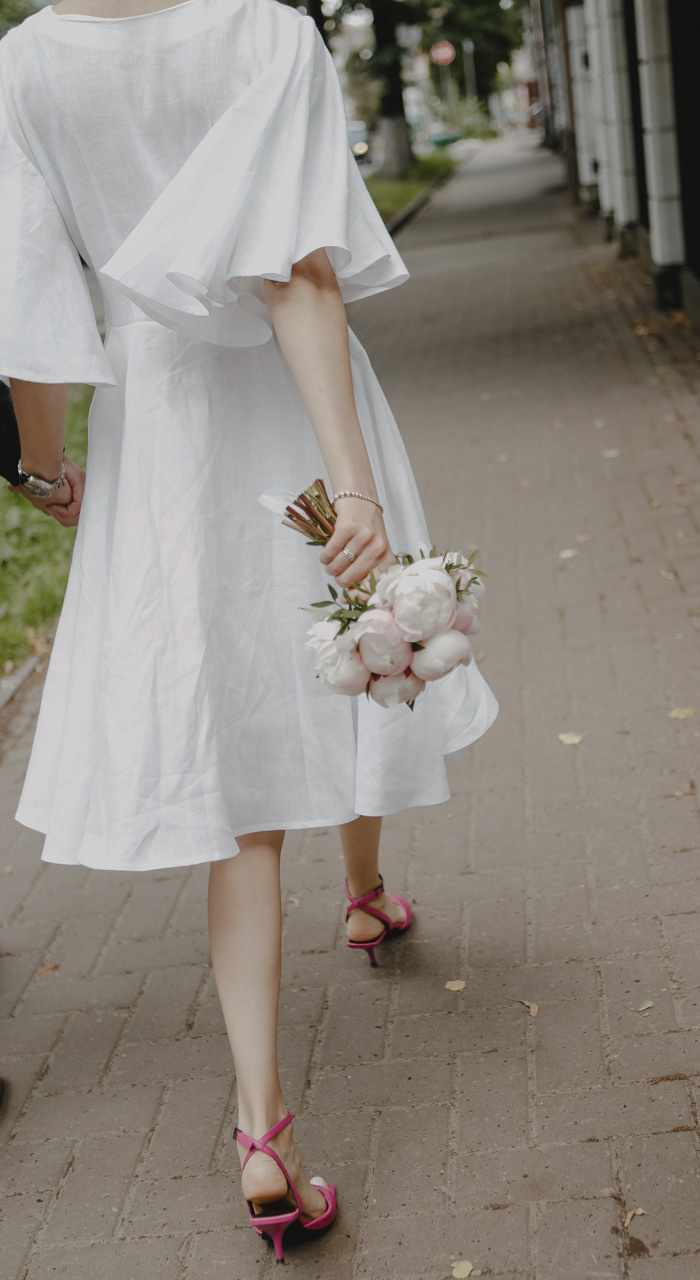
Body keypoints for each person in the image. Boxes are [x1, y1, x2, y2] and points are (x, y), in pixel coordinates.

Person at [0, 0, 497, 1257]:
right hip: (290, 392)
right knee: (355, 638)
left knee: (239, 763)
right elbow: (297, 272)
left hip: (162, 424)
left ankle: (262, 1122)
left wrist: (46, 464)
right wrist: (359, 487)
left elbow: (32, 307)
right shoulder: (265, 32)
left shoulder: (21, 66)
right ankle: (370, 888)